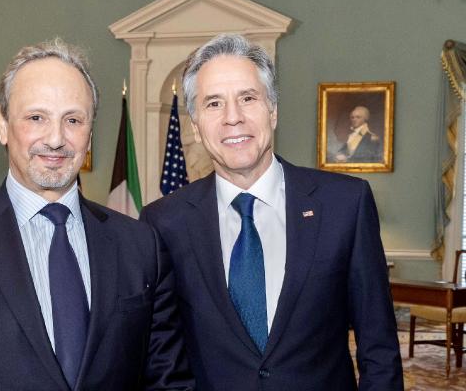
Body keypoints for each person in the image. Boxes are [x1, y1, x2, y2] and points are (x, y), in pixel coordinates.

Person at [0, 38, 194, 391]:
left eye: (73, 120)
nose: (56, 139)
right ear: (3, 125)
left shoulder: (140, 245)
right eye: (36, 118)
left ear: (90, 132)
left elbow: (168, 382)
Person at [141, 34, 402, 390]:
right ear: (196, 127)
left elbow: (379, 349)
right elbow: (162, 359)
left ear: (273, 111)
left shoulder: (345, 204)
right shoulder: (163, 222)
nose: (233, 118)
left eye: (248, 98)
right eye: (214, 103)